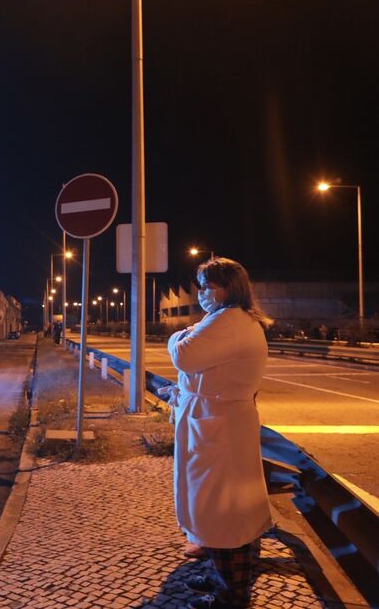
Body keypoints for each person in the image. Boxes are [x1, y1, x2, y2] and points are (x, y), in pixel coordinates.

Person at [162, 258, 274, 609]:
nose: (202, 293)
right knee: (224, 509)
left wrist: (178, 334)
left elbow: (184, 355)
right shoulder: (233, 320)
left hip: (219, 427)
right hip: (218, 423)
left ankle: (231, 595)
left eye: (209, 285)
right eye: (201, 285)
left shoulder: (227, 321)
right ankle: (221, 574)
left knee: (222, 510)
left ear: (230, 287)